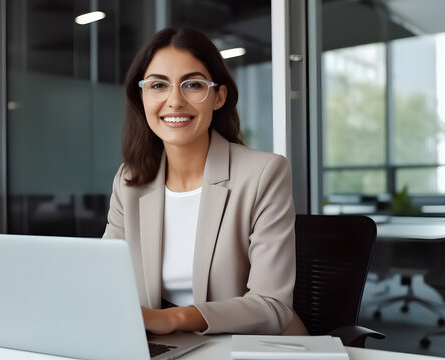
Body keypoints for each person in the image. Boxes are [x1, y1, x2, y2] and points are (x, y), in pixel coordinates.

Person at [103, 28, 307, 336]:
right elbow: (105, 279)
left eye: (193, 85)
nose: (174, 101)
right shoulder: (129, 180)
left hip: (250, 347)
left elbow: (272, 306)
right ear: (141, 96)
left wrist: (171, 319)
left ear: (218, 97)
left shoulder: (264, 173)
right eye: (158, 85)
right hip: (168, 347)